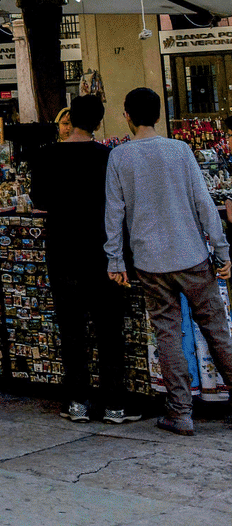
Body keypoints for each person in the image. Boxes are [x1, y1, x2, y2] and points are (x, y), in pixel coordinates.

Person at [104, 86, 232, 436]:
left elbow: (114, 213)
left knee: (168, 334)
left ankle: (180, 413)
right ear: (159, 115)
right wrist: (223, 252)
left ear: (127, 116)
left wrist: (115, 261)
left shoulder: (120, 158)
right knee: (216, 330)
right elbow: (205, 205)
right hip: (192, 256)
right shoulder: (180, 150)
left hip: (150, 262)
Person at [29, 95, 137, 424]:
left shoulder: (47, 156)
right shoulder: (110, 157)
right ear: (99, 123)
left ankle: (77, 401)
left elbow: (39, 199)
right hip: (104, 253)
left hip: (63, 252)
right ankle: (114, 404)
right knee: (109, 331)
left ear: (70, 119)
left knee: (72, 330)